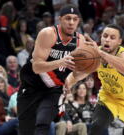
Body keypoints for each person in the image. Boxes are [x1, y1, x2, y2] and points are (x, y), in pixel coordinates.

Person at [65, 24, 124, 135]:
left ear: (119, 41)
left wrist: (101, 53)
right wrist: (65, 86)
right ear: (101, 38)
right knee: (96, 127)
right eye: (105, 36)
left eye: (112, 38)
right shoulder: (95, 54)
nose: (107, 39)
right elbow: (77, 75)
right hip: (109, 97)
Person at [17, 4, 85, 135]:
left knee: (42, 123)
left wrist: (70, 82)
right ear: (60, 19)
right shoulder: (48, 34)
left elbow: (79, 72)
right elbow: (36, 67)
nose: (71, 22)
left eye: (75, 19)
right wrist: (61, 61)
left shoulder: (80, 41)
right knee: (26, 130)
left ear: (78, 21)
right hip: (31, 86)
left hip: (54, 89)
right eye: (68, 18)